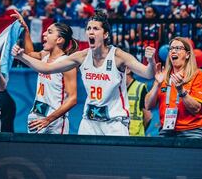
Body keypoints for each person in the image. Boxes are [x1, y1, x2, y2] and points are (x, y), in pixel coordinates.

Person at [12, 10, 156, 136]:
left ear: (105, 34)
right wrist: (21, 56)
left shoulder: (118, 55)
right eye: (88, 28)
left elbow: (148, 74)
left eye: (95, 29)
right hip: (89, 122)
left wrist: (150, 62)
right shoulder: (82, 56)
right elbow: (45, 68)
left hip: (114, 123)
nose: (91, 32)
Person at [11, 10, 78, 134]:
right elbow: (30, 54)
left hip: (55, 120)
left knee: (55, 153)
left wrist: (48, 119)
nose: (43, 34)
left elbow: (72, 99)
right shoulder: (45, 55)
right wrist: (26, 30)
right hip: (37, 114)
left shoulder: (67, 64)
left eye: (49, 32)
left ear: (59, 40)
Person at [145, 37, 202, 138]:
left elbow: (196, 108)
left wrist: (181, 90)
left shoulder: (197, 75)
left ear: (187, 54)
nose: (173, 51)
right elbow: (148, 105)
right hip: (167, 131)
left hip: (192, 130)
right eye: (171, 48)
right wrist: (157, 84)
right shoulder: (163, 76)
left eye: (178, 48)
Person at [125, 67, 151, 136]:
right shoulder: (117, 88)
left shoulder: (140, 87)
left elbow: (148, 116)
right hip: (120, 135)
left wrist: (140, 129)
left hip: (136, 137)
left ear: (128, 70)